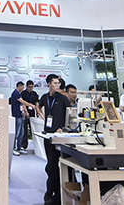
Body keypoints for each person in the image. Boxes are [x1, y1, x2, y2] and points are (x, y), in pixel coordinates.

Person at [38, 74, 70, 205]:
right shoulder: (45, 97)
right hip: (47, 136)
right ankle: (52, 191)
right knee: (50, 165)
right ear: (49, 84)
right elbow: (38, 106)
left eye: (58, 83)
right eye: (55, 83)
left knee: (52, 166)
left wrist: (63, 128)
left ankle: (53, 193)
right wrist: (43, 117)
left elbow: (69, 114)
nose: (57, 85)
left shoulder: (62, 98)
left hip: (58, 137)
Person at [20, 80, 39, 153]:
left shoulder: (34, 94)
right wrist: (26, 112)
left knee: (33, 129)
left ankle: (36, 146)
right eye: (29, 87)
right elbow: (23, 103)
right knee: (24, 130)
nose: (31, 88)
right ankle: (24, 145)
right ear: (26, 87)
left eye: (32, 87)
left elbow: (36, 103)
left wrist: (37, 111)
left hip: (32, 113)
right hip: (25, 114)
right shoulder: (23, 93)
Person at [10, 82, 26, 155]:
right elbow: (22, 102)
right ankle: (13, 148)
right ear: (19, 86)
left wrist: (25, 111)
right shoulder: (15, 93)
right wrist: (31, 105)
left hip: (21, 115)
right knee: (16, 132)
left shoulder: (19, 94)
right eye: (22, 87)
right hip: (16, 115)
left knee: (21, 133)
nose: (23, 89)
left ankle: (19, 147)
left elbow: (22, 104)